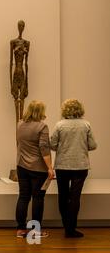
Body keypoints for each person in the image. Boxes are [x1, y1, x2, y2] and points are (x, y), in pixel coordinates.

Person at [50, 99, 97, 238]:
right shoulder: (86, 124)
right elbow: (93, 145)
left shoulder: (59, 125)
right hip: (80, 165)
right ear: (80, 109)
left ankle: (66, 227)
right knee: (75, 198)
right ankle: (71, 229)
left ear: (65, 110)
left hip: (62, 165)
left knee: (63, 196)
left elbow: (52, 145)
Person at [15, 100, 55, 238]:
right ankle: (35, 231)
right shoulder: (42, 127)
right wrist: (50, 167)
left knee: (23, 197)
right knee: (37, 199)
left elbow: (20, 143)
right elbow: (44, 148)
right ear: (40, 111)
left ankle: (20, 229)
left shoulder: (19, 124)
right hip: (38, 169)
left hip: (21, 166)